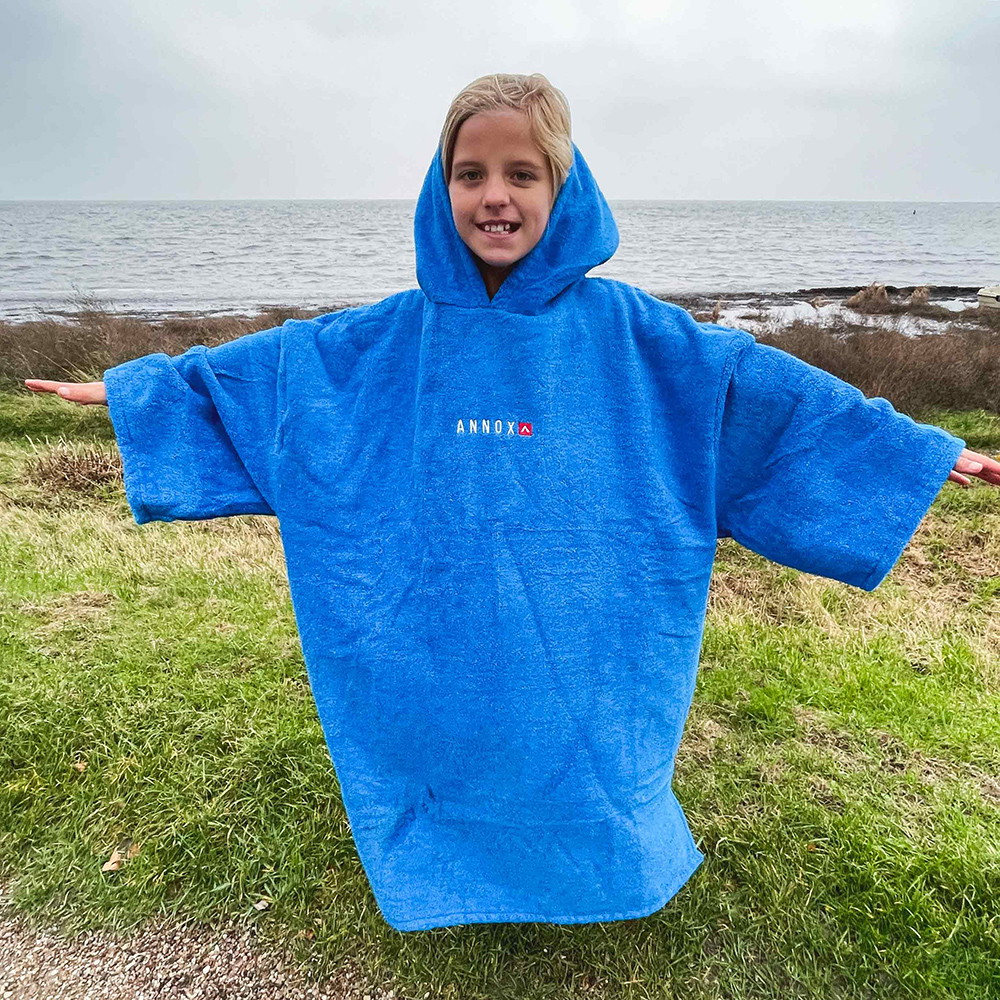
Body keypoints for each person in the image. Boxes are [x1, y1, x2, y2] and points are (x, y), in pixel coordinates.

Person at [24, 72, 1000, 933]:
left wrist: (912, 452)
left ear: (561, 186)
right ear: (440, 187)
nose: (494, 194)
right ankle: (443, 861)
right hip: (433, 613)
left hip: (588, 618)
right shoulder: (388, 338)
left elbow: (759, 393)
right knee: (437, 730)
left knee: (584, 742)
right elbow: (274, 375)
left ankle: (598, 866)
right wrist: (135, 392)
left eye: (521, 173)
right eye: (471, 173)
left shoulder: (637, 336)